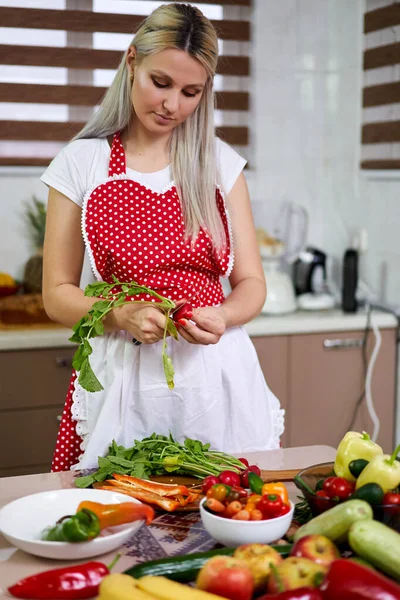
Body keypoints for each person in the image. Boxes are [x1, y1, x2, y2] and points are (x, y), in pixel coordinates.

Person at [41, 3, 284, 472]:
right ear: (132, 61)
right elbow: (56, 295)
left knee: (228, 519)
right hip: (123, 379)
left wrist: (225, 314)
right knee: (120, 523)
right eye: (161, 83)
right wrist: (119, 314)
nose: (173, 104)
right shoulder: (81, 164)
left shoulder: (219, 164)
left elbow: (252, 282)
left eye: (191, 91)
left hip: (217, 379)